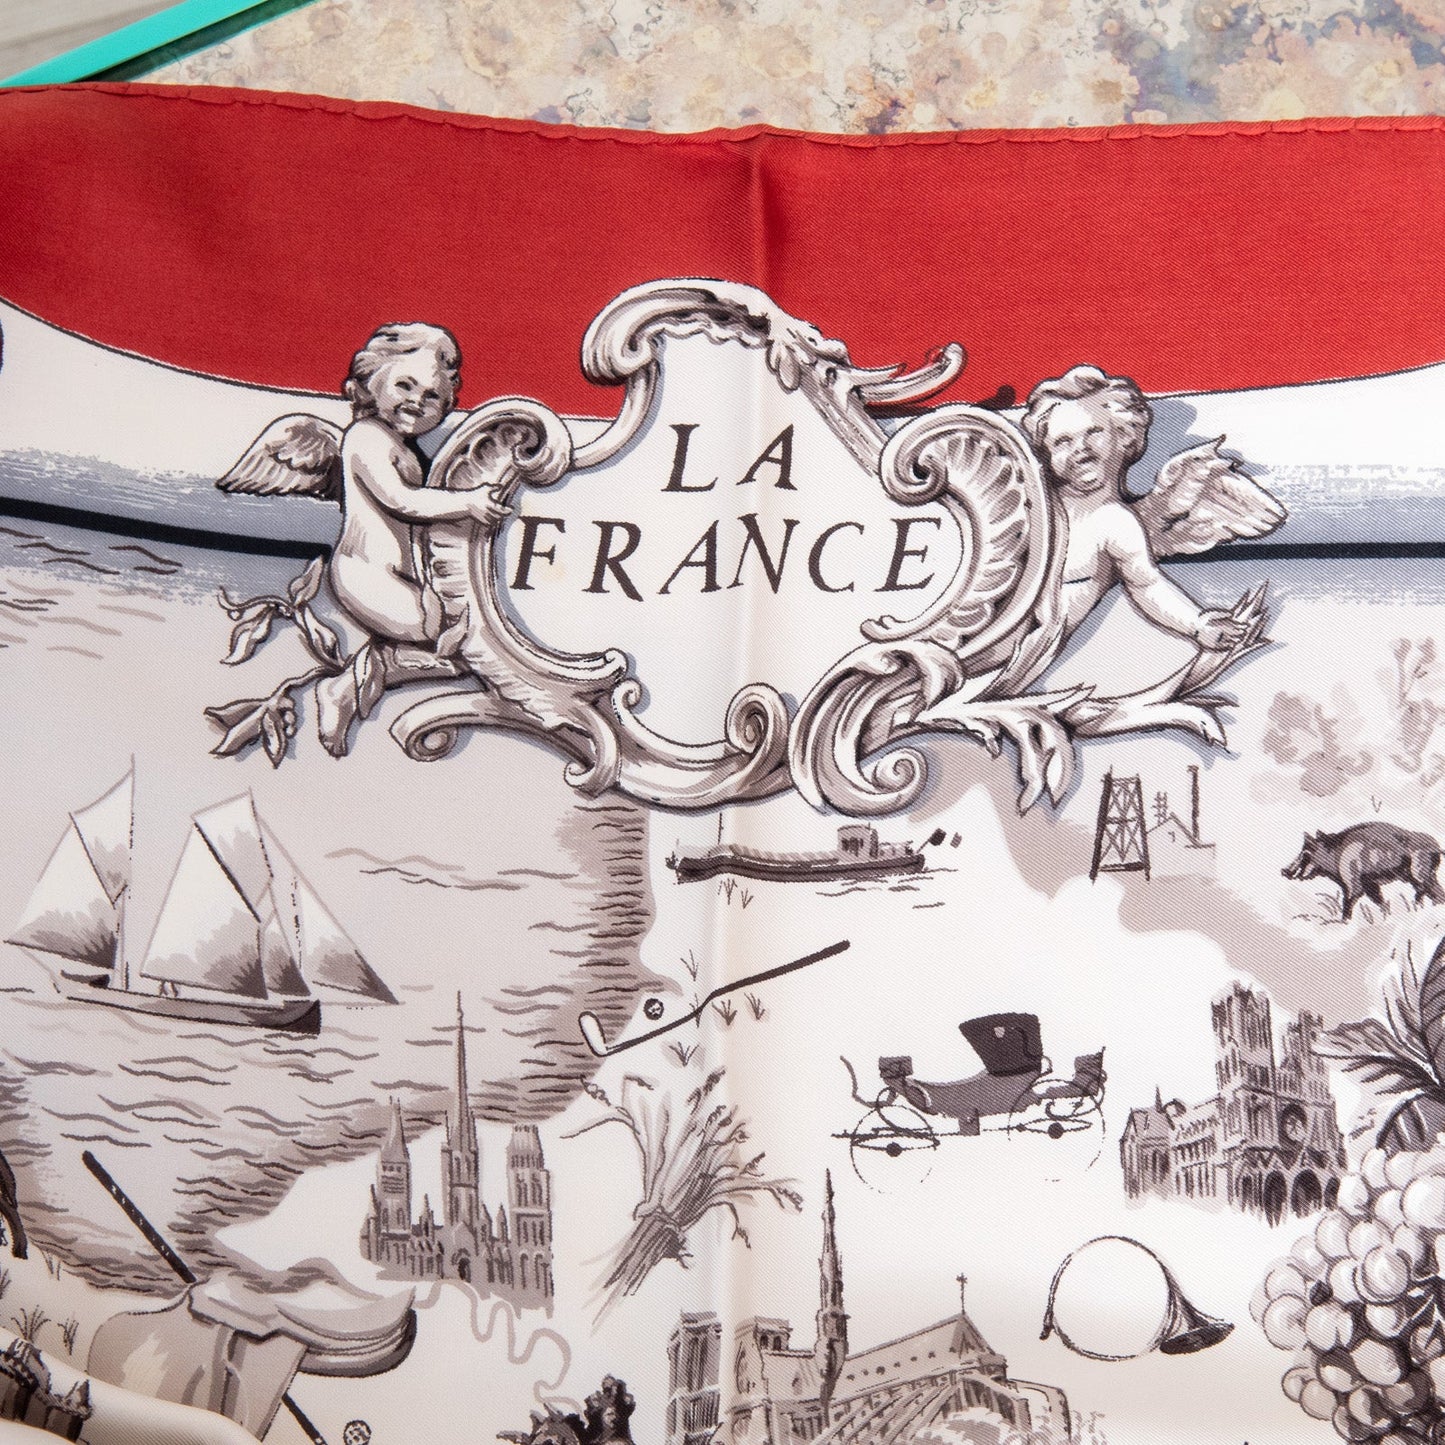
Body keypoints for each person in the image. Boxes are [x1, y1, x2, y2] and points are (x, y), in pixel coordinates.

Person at [316, 323, 506, 753]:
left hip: (399, 577)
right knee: (461, 642)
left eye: (433, 396)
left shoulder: (402, 448)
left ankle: (352, 685)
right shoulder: (365, 437)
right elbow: (401, 499)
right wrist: (467, 502)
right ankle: (345, 687)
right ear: (372, 380)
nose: (417, 400)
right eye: (405, 385)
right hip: (367, 576)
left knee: (464, 648)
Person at [1018, 366, 1249, 652]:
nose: (1080, 448)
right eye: (1062, 441)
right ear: (1047, 452)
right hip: (983, 632)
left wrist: (1198, 625)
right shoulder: (1028, 507)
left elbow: (1146, 584)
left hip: (1024, 651)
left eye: (1094, 432)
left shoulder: (1113, 521)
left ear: (1124, 435)